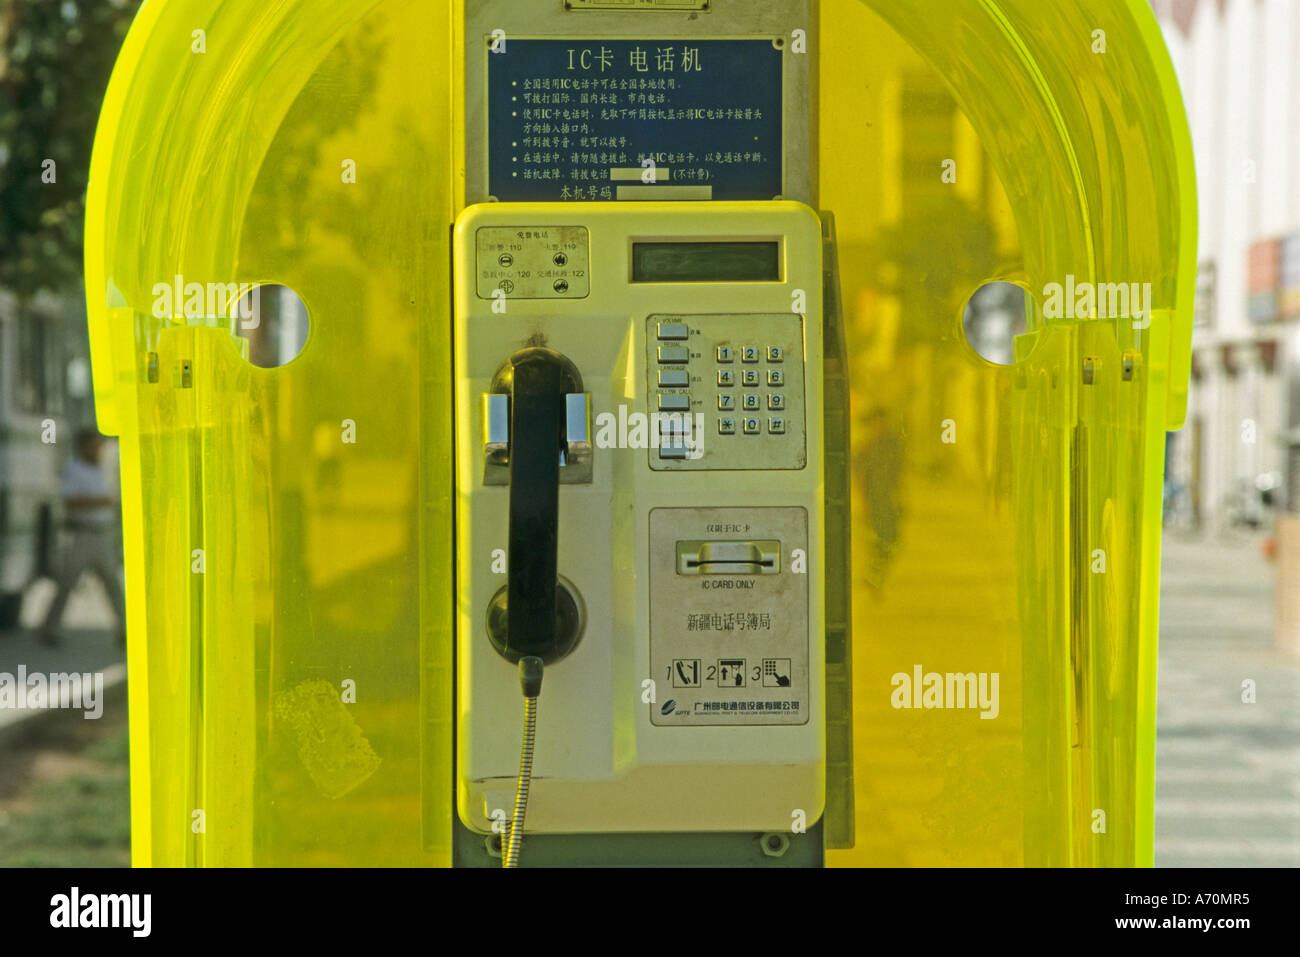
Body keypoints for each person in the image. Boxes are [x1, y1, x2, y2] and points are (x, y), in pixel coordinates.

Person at [39, 429, 126, 646]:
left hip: (103, 535)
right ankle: (49, 629)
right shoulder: (74, 469)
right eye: (93, 445)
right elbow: (69, 502)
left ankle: (124, 630)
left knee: (113, 585)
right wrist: (101, 502)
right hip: (81, 535)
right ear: (84, 446)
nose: (98, 449)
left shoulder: (104, 468)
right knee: (67, 583)